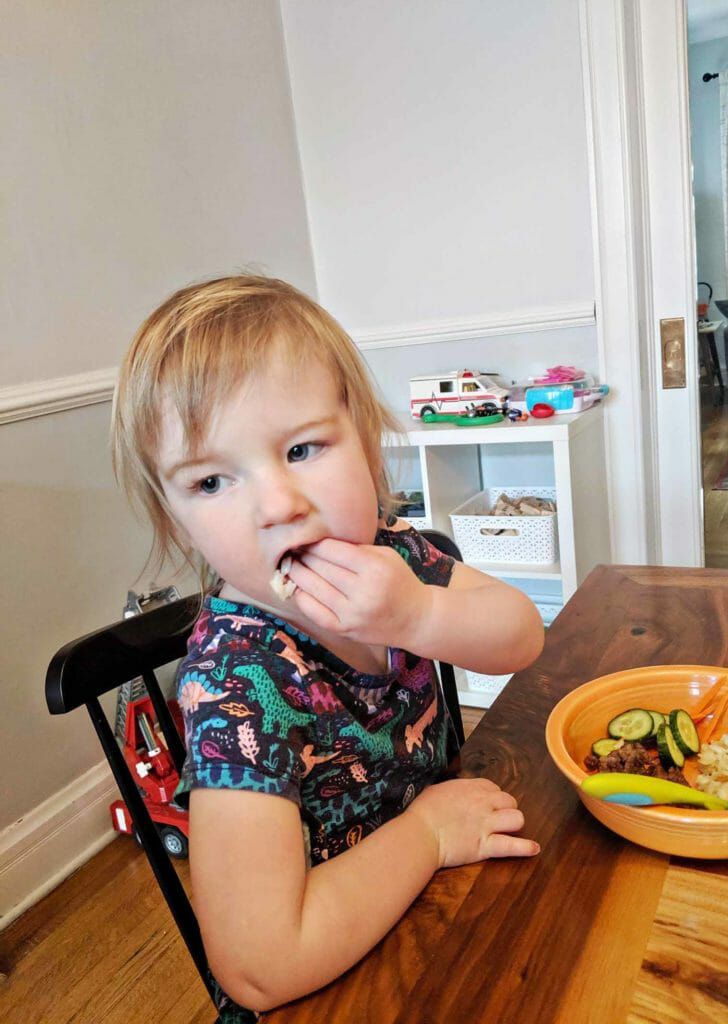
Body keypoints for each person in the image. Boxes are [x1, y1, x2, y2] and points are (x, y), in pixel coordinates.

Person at [111, 275, 544, 1022]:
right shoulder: (236, 685)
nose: (278, 505)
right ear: (178, 521)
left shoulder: (397, 556)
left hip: (444, 909)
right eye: (213, 480)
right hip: (338, 979)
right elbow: (260, 969)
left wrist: (418, 617)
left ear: (368, 442)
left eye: (303, 448)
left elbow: (521, 634)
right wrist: (429, 835)